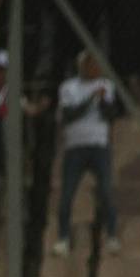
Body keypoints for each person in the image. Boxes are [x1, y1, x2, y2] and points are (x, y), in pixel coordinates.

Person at [51, 53, 123, 256]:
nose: (95, 69)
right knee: (67, 194)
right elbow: (69, 115)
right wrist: (92, 97)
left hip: (99, 144)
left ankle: (112, 236)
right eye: (91, 65)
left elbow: (110, 115)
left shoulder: (106, 86)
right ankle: (63, 238)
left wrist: (102, 100)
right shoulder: (68, 87)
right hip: (75, 147)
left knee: (106, 191)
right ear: (82, 66)